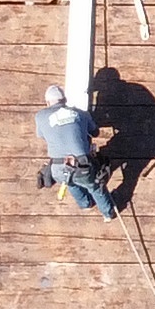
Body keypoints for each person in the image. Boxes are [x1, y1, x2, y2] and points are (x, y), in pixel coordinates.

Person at [35, 83, 117, 217]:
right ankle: (108, 213)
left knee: (70, 183)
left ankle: (85, 204)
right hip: (82, 165)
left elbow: (41, 135)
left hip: (57, 167)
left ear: (47, 102)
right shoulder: (81, 114)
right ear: (65, 100)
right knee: (94, 186)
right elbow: (95, 132)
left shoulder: (40, 116)